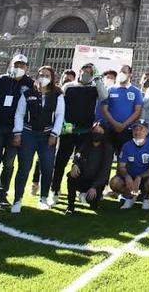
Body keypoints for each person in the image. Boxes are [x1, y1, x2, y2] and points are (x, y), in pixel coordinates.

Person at [0, 54, 33, 210]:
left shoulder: (30, 83)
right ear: (11, 65)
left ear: (27, 67)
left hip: (16, 129)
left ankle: (2, 196)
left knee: (9, 164)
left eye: (22, 65)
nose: (19, 67)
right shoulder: (1, 80)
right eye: (16, 64)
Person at [51, 63, 107, 203]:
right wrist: (63, 125)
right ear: (80, 71)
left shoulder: (94, 88)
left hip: (86, 132)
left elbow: (104, 96)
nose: (87, 74)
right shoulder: (69, 87)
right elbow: (60, 107)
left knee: (82, 163)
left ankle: (81, 191)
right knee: (60, 161)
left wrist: (98, 78)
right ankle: (55, 190)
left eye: (90, 72)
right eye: (85, 71)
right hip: (68, 132)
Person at [11, 66, 65, 213]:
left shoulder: (57, 95)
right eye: (41, 74)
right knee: (24, 168)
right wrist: (17, 133)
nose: (43, 77)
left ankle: (43, 198)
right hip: (28, 134)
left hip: (47, 136)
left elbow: (60, 115)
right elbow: (19, 114)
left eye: (47, 75)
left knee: (47, 168)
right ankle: (17, 200)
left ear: (52, 78)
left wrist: (55, 134)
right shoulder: (28, 93)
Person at [110, 119, 149, 210]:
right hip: (130, 177)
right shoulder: (126, 146)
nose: (137, 132)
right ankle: (129, 196)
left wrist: (140, 177)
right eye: (135, 129)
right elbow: (121, 166)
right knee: (114, 183)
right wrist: (127, 176)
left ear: (147, 132)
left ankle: (146, 197)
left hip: (145, 178)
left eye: (141, 129)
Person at [65, 123, 113, 215]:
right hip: (82, 177)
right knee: (71, 177)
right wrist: (75, 165)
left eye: (100, 131)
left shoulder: (108, 148)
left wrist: (94, 187)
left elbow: (105, 171)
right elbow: (77, 156)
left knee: (93, 204)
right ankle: (70, 206)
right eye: (95, 131)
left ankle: (89, 195)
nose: (97, 133)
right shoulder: (85, 144)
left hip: (96, 183)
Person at [98, 64, 143, 156]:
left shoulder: (136, 91)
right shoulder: (109, 90)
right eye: (120, 72)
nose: (122, 74)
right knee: (106, 157)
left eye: (124, 72)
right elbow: (104, 109)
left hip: (127, 131)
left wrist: (123, 125)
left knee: (123, 159)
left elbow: (137, 111)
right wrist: (115, 124)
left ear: (130, 74)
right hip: (109, 129)